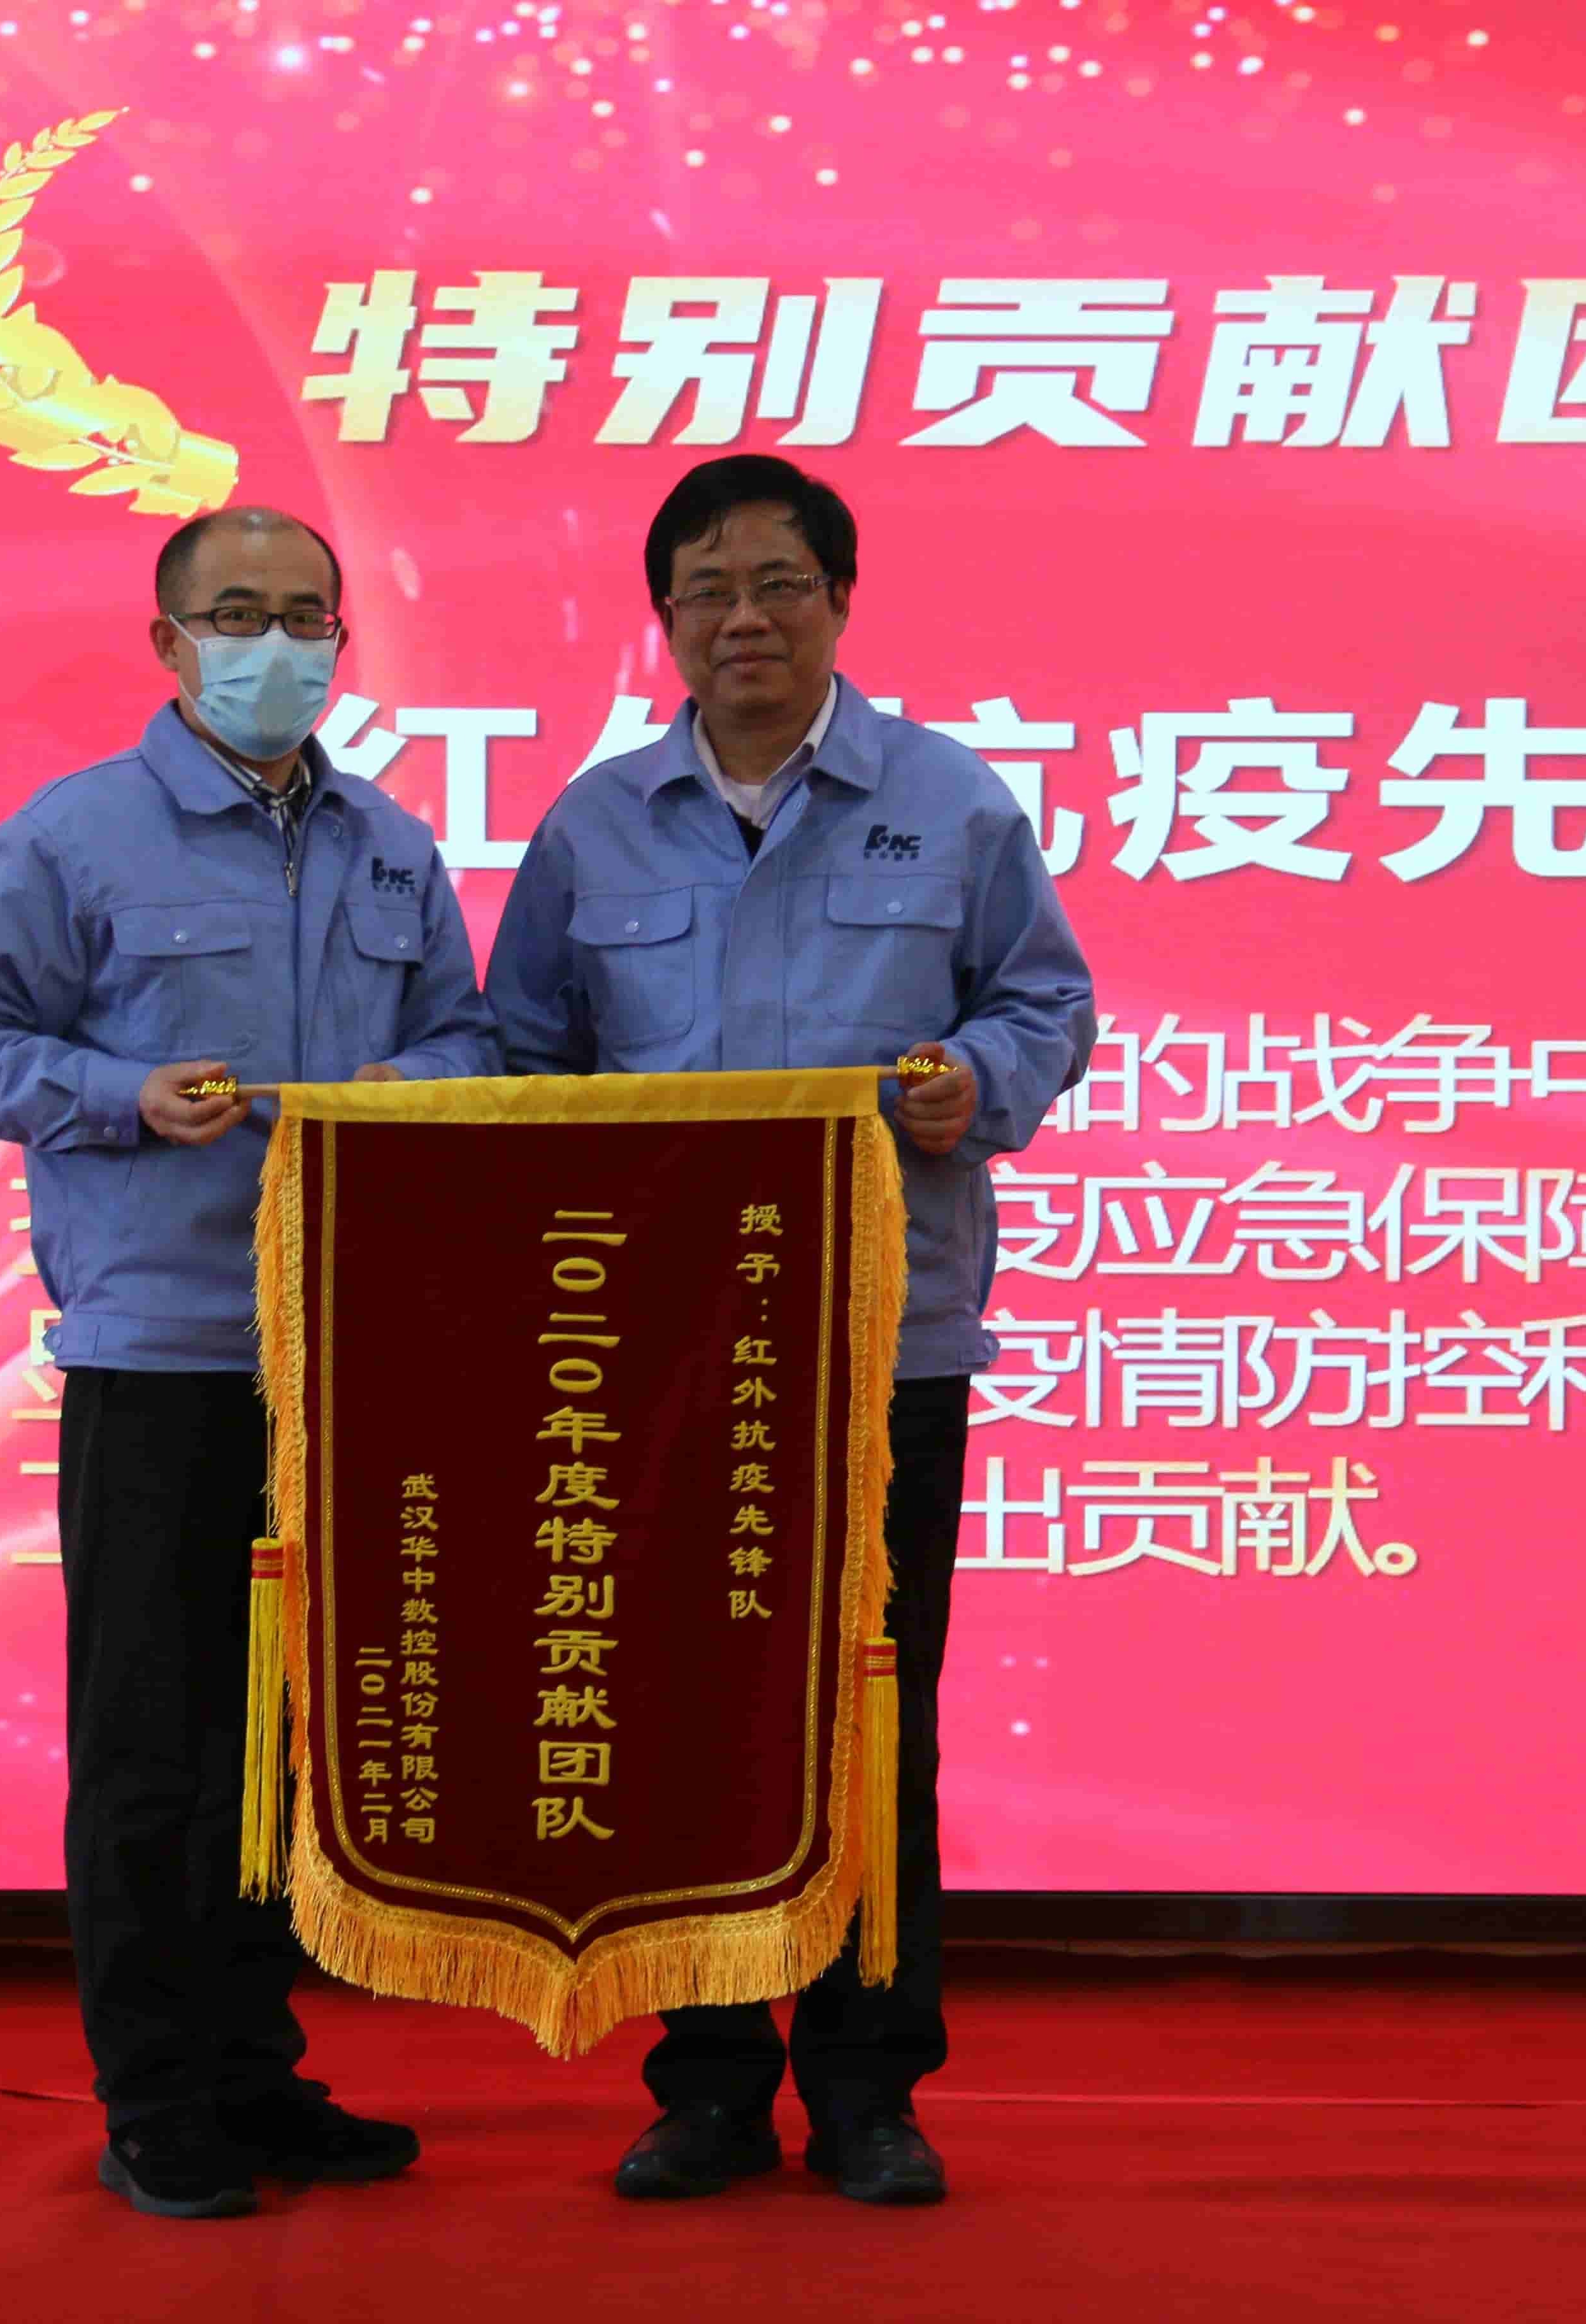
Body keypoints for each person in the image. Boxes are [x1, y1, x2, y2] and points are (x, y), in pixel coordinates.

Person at [485, 455, 1096, 2207]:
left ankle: (870, 2086)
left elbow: (1046, 999)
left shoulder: (948, 802)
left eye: (777, 584)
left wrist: (975, 1079)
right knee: (684, 1717)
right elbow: (521, 1056)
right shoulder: (597, 825)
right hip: (655, 1354)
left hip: (881, 1341)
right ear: (665, 620)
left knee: (870, 1714)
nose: (742, 618)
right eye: (707, 590)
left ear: (839, 601)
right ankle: (707, 2083)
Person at [0, 506, 498, 2220]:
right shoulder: (77, 834)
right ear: (169, 643)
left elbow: (465, 1038)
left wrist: (416, 1091)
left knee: (295, 1741)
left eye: (306, 616)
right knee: (158, 1744)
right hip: (162, 1351)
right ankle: (157, 2097)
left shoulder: (389, 847)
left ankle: (257, 2072)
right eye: (237, 614)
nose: (275, 646)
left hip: (349, 1352)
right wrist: (116, 1094)